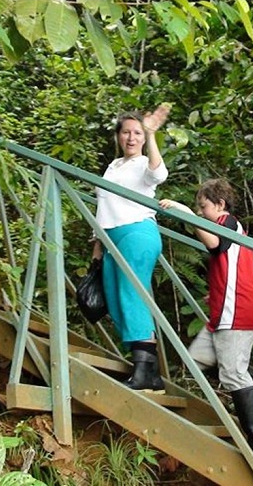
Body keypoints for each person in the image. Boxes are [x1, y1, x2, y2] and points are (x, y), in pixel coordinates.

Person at [159, 179, 253, 457]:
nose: (201, 210)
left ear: (219, 205)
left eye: (204, 206)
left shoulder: (228, 223)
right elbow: (228, 264)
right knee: (197, 360)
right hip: (224, 309)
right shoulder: (224, 225)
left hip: (238, 309)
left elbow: (215, 244)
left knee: (231, 374)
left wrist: (186, 213)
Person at [92, 105, 170, 394]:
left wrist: (151, 135)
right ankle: (150, 374)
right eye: (126, 132)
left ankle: (143, 372)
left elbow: (158, 174)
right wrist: (97, 247)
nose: (131, 137)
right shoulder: (113, 167)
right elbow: (103, 206)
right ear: (118, 136)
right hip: (111, 239)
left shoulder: (143, 164)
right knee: (115, 298)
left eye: (137, 132)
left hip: (137, 233)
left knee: (131, 294)